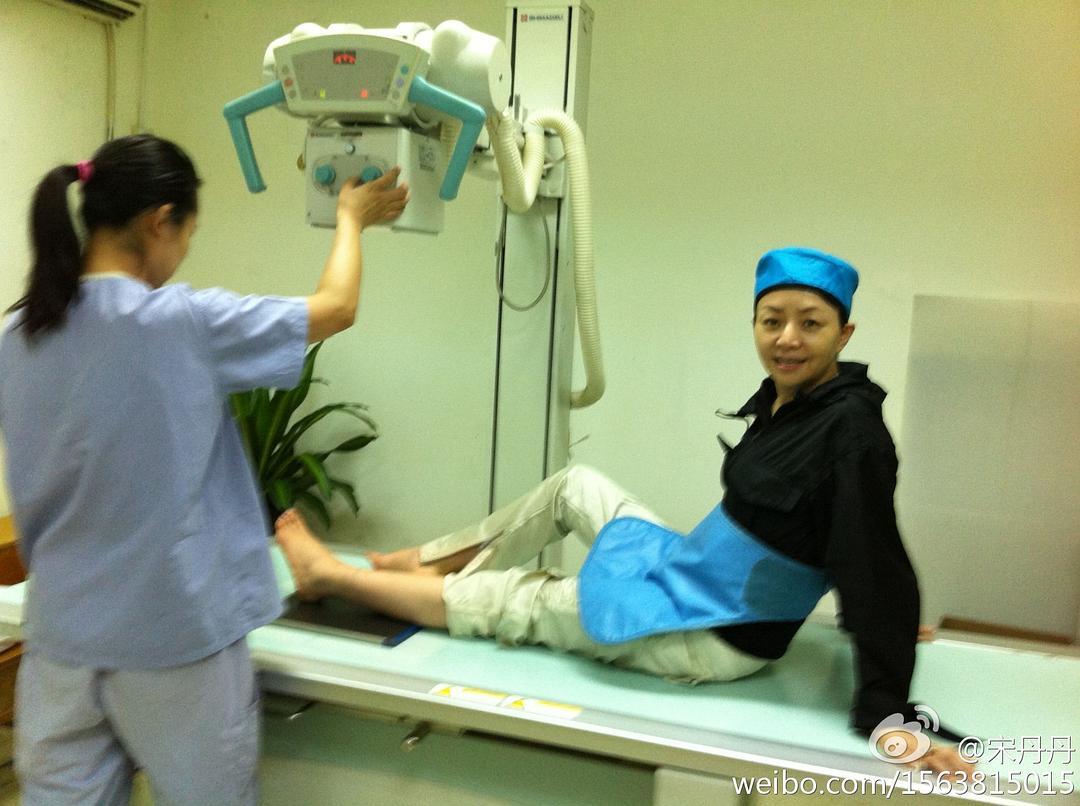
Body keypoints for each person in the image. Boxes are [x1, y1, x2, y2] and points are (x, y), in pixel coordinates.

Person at [273, 246, 972, 775]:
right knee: (574, 484)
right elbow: (823, 535)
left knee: (524, 599)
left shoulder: (851, 432)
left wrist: (888, 707)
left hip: (712, 633)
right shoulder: (789, 400)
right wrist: (864, 615)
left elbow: (867, 555)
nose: (787, 337)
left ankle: (334, 577)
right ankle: (423, 563)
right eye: (772, 320)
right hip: (694, 569)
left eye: (810, 324)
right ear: (755, 324)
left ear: (844, 335)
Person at [0, 134, 407, 805]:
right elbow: (336, 306)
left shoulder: (18, 335)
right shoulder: (181, 322)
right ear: (161, 221)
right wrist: (350, 218)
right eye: (188, 234)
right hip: (174, 645)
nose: (183, 252)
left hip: (62, 643)